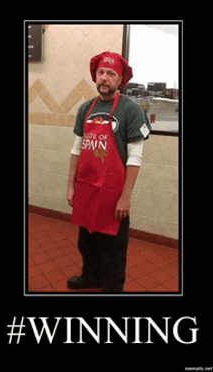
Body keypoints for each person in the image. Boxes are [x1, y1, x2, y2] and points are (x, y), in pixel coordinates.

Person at [67, 51, 151, 292]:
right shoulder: (85, 108)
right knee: (87, 241)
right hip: (87, 188)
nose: (104, 78)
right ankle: (90, 277)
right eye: (101, 73)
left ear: (120, 80)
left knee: (113, 245)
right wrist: (71, 185)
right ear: (95, 76)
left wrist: (126, 196)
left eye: (111, 74)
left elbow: (135, 156)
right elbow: (77, 148)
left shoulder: (132, 110)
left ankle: (112, 287)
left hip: (114, 194)